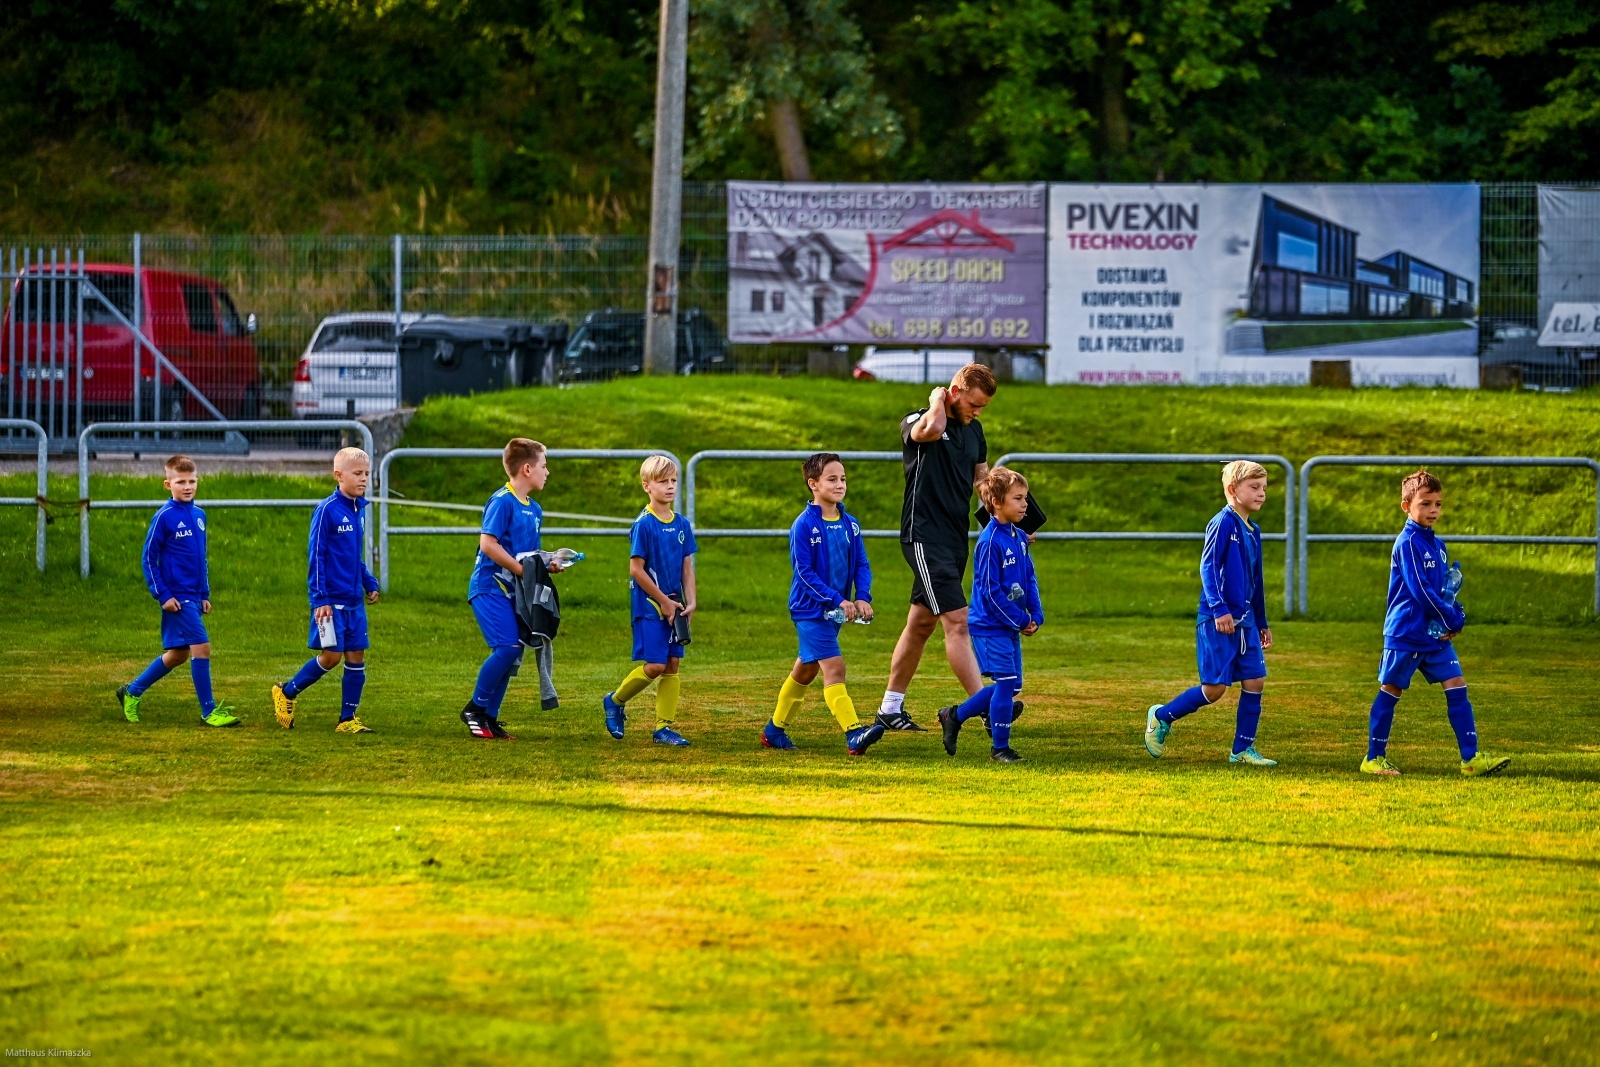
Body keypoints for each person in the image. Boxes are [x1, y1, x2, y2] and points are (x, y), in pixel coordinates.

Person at [1361, 469, 1511, 777]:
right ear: (1406, 506)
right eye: (1425, 503)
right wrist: (1451, 618)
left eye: (1438, 504)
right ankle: (1373, 758)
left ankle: (1471, 759)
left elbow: (1442, 591)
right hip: (1406, 633)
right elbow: (1421, 591)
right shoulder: (1407, 543)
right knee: (1391, 690)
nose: (1433, 510)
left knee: (1457, 686)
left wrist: (1454, 613)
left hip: (1434, 636)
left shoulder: (1438, 546)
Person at [877, 362, 998, 732]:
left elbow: (983, 481)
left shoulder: (974, 430)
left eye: (983, 407)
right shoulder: (918, 419)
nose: (978, 413)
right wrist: (935, 399)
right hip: (924, 537)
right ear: (954, 392)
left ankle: (890, 709)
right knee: (957, 622)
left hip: (954, 539)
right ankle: (988, 708)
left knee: (921, 623)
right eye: (974, 404)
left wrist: (1008, 524)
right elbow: (931, 429)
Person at [1144, 460, 1277, 766]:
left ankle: (1242, 750)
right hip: (1219, 619)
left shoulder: (1253, 531)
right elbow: (1208, 566)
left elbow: (1256, 580)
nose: (1262, 493)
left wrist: (1261, 621)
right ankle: (1162, 716)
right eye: (1254, 487)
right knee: (1215, 689)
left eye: (1264, 488)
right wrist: (1219, 609)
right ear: (1233, 489)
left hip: (1246, 621)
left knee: (1255, 681)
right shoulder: (1222, 522)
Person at [763, 453, 886, 756]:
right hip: (810, 610)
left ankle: (773, 731)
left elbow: (862, 564)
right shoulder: (804, 525)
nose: (840, 484)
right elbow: (804, 573)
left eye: (843, 478)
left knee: (806, 670)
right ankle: (854, 733)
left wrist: (862, 596)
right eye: (832, 479)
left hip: (834, 611)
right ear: (813, 484)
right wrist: (837, 598)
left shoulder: (851, 524)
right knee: (835, 667)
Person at [116, 455, 239, 727]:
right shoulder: (164, 517)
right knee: (202, 647)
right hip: (176, 597)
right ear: (167, 484)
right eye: (181, 482)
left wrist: (204, 594)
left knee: (178, 654)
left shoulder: (199, 515)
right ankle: (209, 712)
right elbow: (149, 558)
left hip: (193, 596)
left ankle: (131, 692)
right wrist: (163, 594)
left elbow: (201, 559)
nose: (187, 486)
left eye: (192, 481)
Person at [270, 447, 380, 734]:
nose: (364, 479)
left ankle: (347, 719)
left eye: (367, 474)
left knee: (356, 657)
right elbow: (316, 556)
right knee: (331, 657)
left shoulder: (359, 511)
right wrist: (320, 598)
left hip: (354, 603)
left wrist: (368, 581)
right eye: (357, 473)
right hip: (330, 602)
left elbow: (353, 557)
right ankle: (287, 691)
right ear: (338, 475)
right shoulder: (326, 511)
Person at [938, 467, 1041, 763]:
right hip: (989, 626)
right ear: (996, 502)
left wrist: (1035, 613)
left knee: (1012, 686)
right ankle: (1000, 748)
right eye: (1018, 498)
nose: (1025, 504)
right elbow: (990, 592)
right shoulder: (989, 542)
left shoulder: (1019, 537)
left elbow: (1029, 577)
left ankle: (955, 715)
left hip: (1009, 625)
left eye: (1025, 498)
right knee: (1006, 685)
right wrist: (1021, 619)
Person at [460, 438, 559, 741]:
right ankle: (474, 709)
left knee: (511, 654)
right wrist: (522, 571)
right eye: (544, 466)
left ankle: (489, 719)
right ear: (527, 469)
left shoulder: (535, 509)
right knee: (508, 648)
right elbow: (488, 544)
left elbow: (527, 556)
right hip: (490, 586)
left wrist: (548, 563)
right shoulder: (502, 501)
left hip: (513, 591)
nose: (547, 472)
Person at [602, 455, 698, 746]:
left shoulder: (682, 524)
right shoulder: (644, 524)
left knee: (672, 664)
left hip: (674, 605)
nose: (670, 486)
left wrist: (691, 601)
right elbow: (636, 569)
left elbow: (686, 568)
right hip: (649, 606)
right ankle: (615, 700)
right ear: (647, 486)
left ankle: (663, 728)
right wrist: (663, 602)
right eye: (662, 481)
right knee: (655, 665)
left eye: (673, 481)